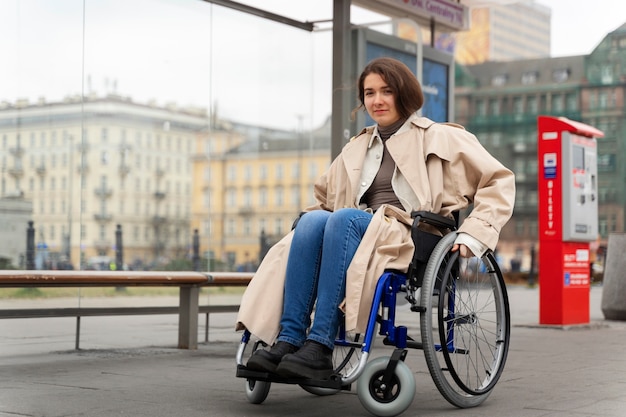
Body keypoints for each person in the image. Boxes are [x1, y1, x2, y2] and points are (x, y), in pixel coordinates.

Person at [236, 57, 515, 380]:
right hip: (357, 230)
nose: (377, 100)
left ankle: (320, 345)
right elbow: (324, 200)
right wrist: (307, 225)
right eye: (369, 93)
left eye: (386, 91)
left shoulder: (440, 136)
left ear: (404, 94)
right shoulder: (357, 148)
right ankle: (289, 338)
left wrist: (474, 233)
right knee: (312, 222)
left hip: (411, 232)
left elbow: (499, 179)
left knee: (343, 220)